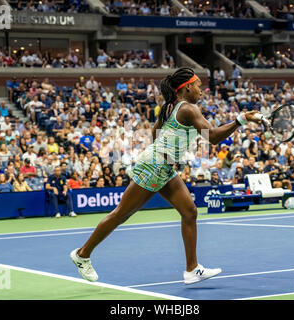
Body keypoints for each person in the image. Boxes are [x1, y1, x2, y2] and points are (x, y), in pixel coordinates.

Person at [69, 68, 262, 284]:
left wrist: (169, 153)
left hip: (163, 167)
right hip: (154, 166)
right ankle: (82, 254)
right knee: (121, 214)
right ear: (187, 87)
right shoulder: (188, 108)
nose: (201, 89)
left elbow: (155, 132)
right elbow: (214, 137)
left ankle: (192, 269)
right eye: (197, 85)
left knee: (189, 211)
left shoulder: (170, 106)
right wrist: (240, 120)